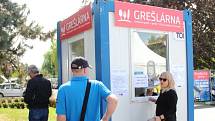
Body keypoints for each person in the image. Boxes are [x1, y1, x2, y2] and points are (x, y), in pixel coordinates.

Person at [56, 57, 118, 121]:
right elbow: (113, 100)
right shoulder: (97, 85)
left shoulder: (63, 89)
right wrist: (105, 118)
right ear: (85, 70)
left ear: (72, 70)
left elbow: (61, 118)